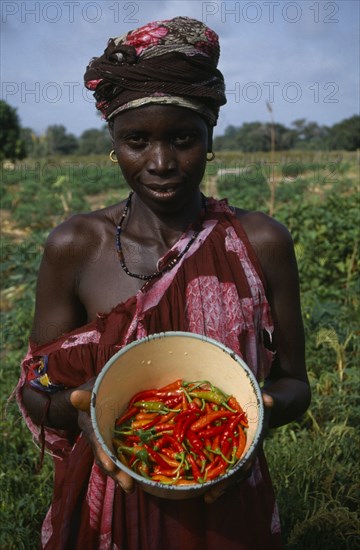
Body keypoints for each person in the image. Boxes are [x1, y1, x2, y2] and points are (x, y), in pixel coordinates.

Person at [16, 16, 311, 550]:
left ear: (210, 138)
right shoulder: (76, 245)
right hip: (110, 496)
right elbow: (38, 385)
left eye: (183, 140)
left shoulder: (260, 241)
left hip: (224, 487)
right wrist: (86, 414)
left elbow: (294, 383)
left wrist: (256, 417)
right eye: (136, 140)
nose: (160, 163)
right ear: (113, 142)